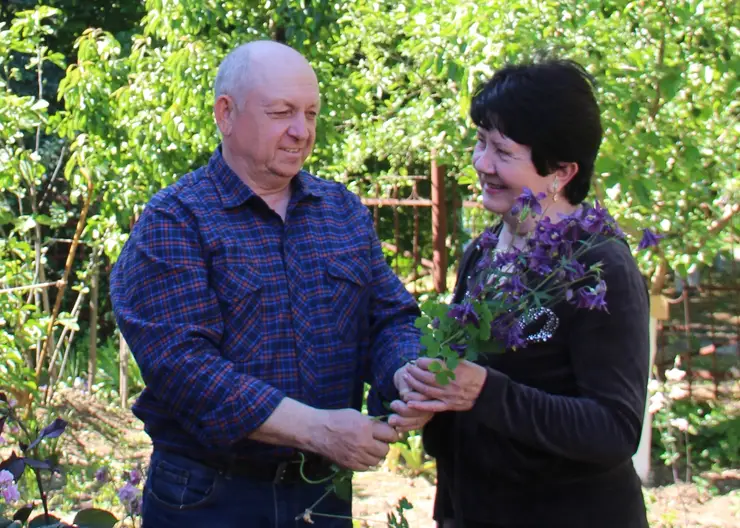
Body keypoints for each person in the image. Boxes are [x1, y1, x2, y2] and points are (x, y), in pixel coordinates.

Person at [110, 41, 432, 527]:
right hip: (209, 497)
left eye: (311, 113)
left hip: (320, 495)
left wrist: (405, 377)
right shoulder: (174, 221)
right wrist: (318, 429)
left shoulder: (340, 210)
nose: (300, 131)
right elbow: (185, 369)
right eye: (282, 112)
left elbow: (389, 317)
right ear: (226, 114)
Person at [402, 60, 650, 527]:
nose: (481, 163)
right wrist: (427, 402)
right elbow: (464, 396)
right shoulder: (482, 251)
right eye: (480, 141)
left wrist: (487, 392)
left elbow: (614, 430)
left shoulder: (598, 269)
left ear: (561, 171)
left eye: (502, 151)